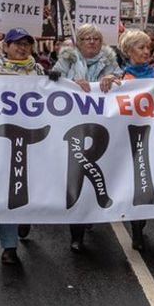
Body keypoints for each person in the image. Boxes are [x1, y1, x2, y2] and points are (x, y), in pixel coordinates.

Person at [52, 23, 121, 253]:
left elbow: (124, 82)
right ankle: (77, 234)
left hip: (102, 128)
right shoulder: (68, 60)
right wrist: (69, 84)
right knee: (77, 176)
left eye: (96, 39)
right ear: (78, 43)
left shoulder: (109, 61)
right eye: (86, 39)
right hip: (73, 127)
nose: (92, 42)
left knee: (98, 176)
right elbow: (51, 82)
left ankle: (90, 215)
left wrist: (112, 78)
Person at [0, 28, 45, 265]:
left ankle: (25, 216)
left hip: (33, 137)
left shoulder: (38, 70)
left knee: (29, 184)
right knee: (6, 191)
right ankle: (9, 246)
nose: (22, 48)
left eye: (26, 44)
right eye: (16, 43)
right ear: (5, 46)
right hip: (2, 138)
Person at [117, 29, 154, 251]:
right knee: (136, 183)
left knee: (151, 182)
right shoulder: (122, 78)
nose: (146, 51)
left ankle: (142, 221)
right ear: (128, 51)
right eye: (141, 47)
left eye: (147, 47)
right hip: (131, 137)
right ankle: (137, 229)